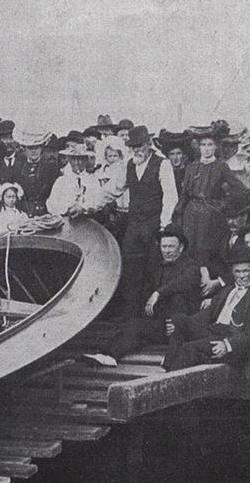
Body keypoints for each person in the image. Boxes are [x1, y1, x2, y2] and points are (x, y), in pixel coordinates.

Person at [81, 224, 200, 367]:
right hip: (162, 324)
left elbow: (186, 281)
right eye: (164, 247)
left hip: (180, 328)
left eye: (171, 247)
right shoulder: (159, 267)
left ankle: (169, 359)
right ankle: (108, 355)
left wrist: (158, 293)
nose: (166, 251)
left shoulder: (190, 266)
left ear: (181, 247)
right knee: (134, 326)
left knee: (177, 297)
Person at [98, 125, 179, 318]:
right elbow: (112, 190)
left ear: (149, 144)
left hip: (153, 226)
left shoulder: (162, 164)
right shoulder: (129, 165)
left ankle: (152, 315)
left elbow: (171, 197)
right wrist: (86, 205)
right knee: (130, 270)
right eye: (132, 147)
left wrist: (163, 225)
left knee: (153, 271)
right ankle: (130, 315)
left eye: (139, 146)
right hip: (134, 226)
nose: (136, 150)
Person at [173, 127, 250, 299]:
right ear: (198, 147)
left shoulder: (220, 166)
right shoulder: (192, 167)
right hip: (191, 214)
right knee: (189, 251)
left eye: (210, 145)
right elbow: (184, 195)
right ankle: (190, 295)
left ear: (215, 147)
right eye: (203, 145)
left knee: (206, 252)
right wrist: (176, 214)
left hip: (211, 216)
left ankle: (209, 293)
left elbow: (238, 186)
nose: (206, 148)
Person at [163, 241, 250, 381]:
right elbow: (208, 314)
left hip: (231, 338)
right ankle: (167, 370)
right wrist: (180, 324)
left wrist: (228, 345)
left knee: (188, 349)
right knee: (180, 322)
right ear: (232, 272)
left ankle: (167, 383)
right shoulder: (228, 290)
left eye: (245, 271)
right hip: (213, 330)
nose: (241, 276)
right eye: (237, 271)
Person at [46, 144, 101, 217]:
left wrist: (84, 208)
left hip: (88, 220)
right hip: (66, 219)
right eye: (73, 159)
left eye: (81, 159)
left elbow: (97, 201)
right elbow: (51, 204)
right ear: (69, 160)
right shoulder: (61, 181)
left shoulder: (93, 180)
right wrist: (65, 210)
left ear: (86, 160)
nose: (77, 163)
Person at [93, 135, 130, 241]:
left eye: (115, 156)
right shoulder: (103, 170)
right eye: (110, 156)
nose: (112, 159)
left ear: (120, 156)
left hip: (123, 205)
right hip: (107, 205)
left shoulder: (123, 169)